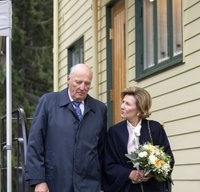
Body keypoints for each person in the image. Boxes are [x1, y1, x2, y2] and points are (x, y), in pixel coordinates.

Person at [25, 63, 107, 192]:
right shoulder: (48, 102)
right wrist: (38, 180)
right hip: (55, 183)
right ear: (68, 79)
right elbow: (35, 143)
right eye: (78, 82)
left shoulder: (100, 109)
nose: (82, 87)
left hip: (89, 185)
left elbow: (101, 149)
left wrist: (101, 183)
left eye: (87, 83)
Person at [103, 86, 175, 192]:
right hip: (126, 188)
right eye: (123, 102)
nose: (122, 106)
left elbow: (168, 160)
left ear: (139, 109)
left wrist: (151, 173)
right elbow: (108, 164)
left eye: (127, 104)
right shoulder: (115, 132)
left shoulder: (155, 128)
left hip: (153, 188)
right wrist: (129, 174)